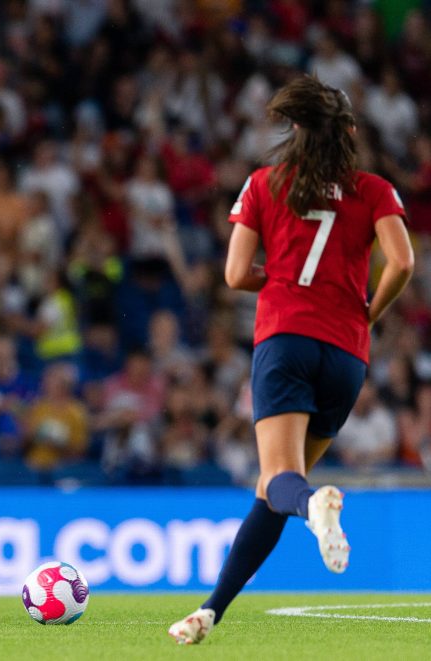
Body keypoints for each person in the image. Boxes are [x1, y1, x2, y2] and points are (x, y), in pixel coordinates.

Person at [168, 75, 414, 644]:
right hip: (348, 354)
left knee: (286, 483)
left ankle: (315, 507)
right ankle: (209, 612)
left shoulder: (265, 184)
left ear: (295, 131)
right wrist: (367, 313)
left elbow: (233, 274)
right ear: (349, 133)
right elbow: (401, 263)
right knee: (271, 487)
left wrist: (280, 276)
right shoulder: (372, 189)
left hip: (286, 339)